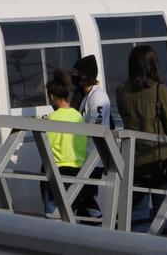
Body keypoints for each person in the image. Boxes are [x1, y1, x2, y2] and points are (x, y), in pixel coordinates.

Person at [117, 45, 167, 233]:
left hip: (133, 162)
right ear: (153, 64)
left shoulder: (121, 91)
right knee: (163, 214)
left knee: (137, 214)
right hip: (159, 162)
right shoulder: (160, 89)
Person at [40, 70, 87, 217]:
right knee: (70, 212)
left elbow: (48, 146)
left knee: (52, 211)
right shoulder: (78, 116)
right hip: (77, 170)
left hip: (57, 169)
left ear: (52, 97)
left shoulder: (52, 117)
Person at [72, 54, 110, 220]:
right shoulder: (83, 96)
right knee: (82, 197)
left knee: (86, 195)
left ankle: (98, 224)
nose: (73, 76)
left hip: (93, 157)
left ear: (85, 76)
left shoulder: (98, 98)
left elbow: (96, 129)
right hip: (82, 156)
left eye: (76, 73)